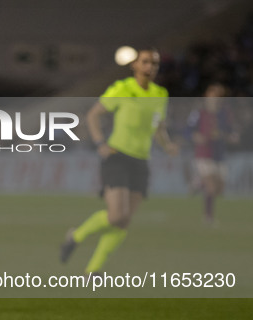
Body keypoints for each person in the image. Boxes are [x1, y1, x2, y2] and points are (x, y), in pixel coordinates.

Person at [60, 48, 178, 275]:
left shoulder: (160, 94)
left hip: (141, 161)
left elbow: (159, 127)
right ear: (134, 65)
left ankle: (93, 270)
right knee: (117, 215)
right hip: (117, 157)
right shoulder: (123, 88)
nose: (150, 67)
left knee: (124, 221)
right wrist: (100, 143)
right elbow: (93, 115)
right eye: (145, 62)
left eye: (154, 63)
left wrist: (168, 145)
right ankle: (75, 236)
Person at [184, 82, 239, 225]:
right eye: (213, 95)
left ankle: (197, 183)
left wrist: (232, 136)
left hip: (219, 154)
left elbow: (231, 130)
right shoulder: (199, 113)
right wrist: (196, 136)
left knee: (220, 189)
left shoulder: (225, 114)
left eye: (219, 96)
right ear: (207, 96)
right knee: (211, 187)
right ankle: (208, 217)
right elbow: (188, 131)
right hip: (204, 153)